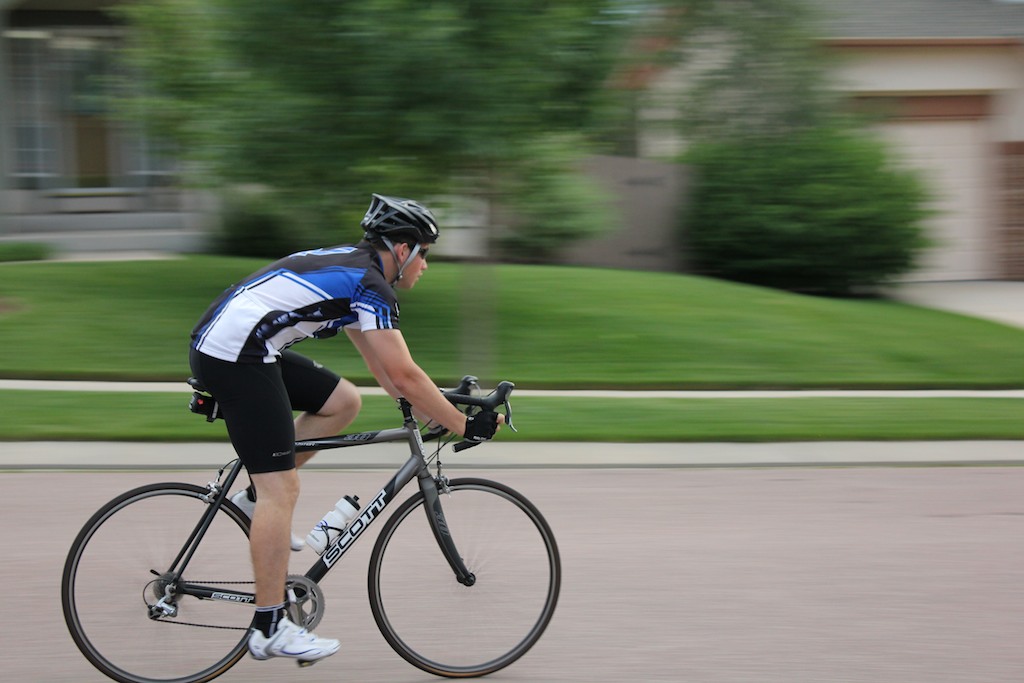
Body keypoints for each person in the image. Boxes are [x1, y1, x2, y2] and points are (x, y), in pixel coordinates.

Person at [188, 194, 502, 663]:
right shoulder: (371, 284)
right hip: (235, 353)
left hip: (243, 343)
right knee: (283, 490)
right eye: (426, 254)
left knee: (343, 401)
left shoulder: (357, 273)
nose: (426, 266)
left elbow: (384, 369)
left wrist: (434, 411)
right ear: (403, 249)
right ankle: (270, 626)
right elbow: (404, 375)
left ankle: (253, 500)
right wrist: (463, 425)